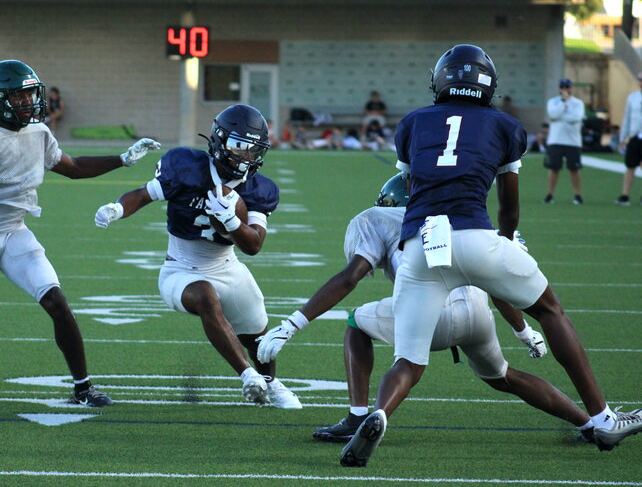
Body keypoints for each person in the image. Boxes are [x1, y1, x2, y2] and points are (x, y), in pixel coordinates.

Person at [333, 44, 642, 467]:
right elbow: (508, 204)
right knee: (550, 310)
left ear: (440, 79)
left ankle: (380, 414)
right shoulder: (506, 125)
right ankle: (603, 417)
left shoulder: (412, 123)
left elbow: (411, 190)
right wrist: (508, 240)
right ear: (488, 84)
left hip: (421, 246)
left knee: (407, 359)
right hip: (477, 236)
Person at [256, 175, 609, 457]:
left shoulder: (376, 219)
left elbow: (350, 277)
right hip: (475, 311)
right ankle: (588, 423)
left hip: (425, 310)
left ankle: (361, 417)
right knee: (503, 375)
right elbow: (498, 283)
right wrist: (524, 331)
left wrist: (292, 324)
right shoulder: (460, 220)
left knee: (360, 326)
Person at [0, 60, 160, 406]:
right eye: (20, 96)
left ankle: (83, 387)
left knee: (56, 301)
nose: (30, 102)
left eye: (32, 93)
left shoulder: (38, 133)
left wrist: (121, 158)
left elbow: (73, 168)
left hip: (14, 231)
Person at [93, 104, 301, 409]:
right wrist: (117, 208)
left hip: (228, 266)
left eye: (253, 150)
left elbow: (254, 244)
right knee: (205, 296)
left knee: (258, 336)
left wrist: (231, 222)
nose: (246, 157)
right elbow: (143, 194)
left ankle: (271, 383)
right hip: (181, 268)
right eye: (239, 147)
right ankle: (247, 376)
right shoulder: (185, 166)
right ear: (218, 141)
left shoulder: (259, 189)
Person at [544, 78, 585, 205]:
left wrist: (558, 117)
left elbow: (576, 117)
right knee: (553, 168)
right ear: (559, 88)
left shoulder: (578, 103)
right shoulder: (553, 101)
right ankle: (550, 194)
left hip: (573, 142)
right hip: (555, 140)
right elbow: (552, 113)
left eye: (567, 87)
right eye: (563, 87)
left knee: (574, 169)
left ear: (571, 88)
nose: (565, 90)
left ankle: (577, 195)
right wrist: (563, 103)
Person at [616, 72, 642, 206]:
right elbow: (627, 117)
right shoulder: (633, 97)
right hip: (635, 136)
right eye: (640, 80)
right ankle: (625, 195)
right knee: (630, 166)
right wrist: (623, 137)